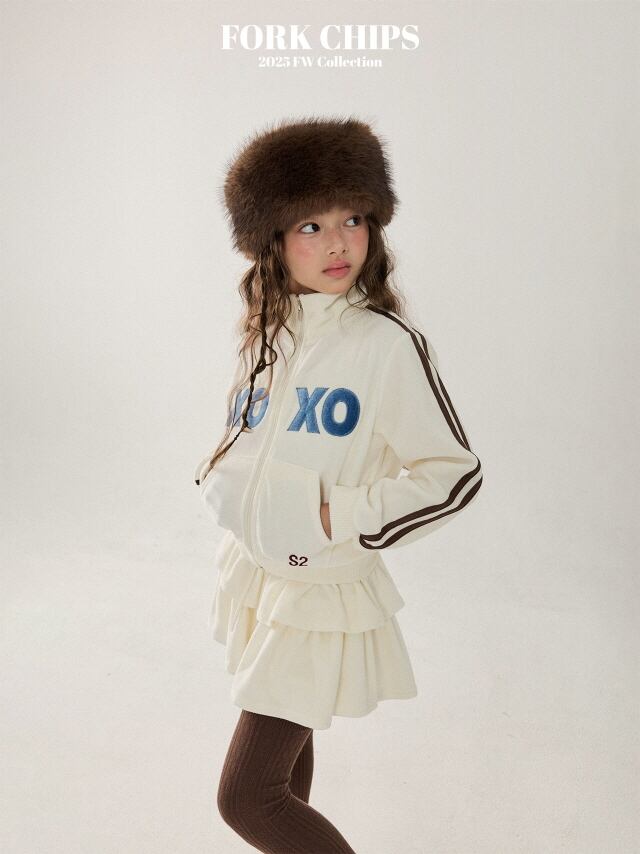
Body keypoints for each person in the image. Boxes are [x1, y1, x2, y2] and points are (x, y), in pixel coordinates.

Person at [194, 116, 483, 853]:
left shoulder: (387, 346)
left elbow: (453, 476)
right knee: (285, 788)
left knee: (248, 799)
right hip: (262, 575)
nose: (337, 244)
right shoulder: (268, 329)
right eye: (311, 225)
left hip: (318, 592)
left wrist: (339, 516)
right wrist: (220, 479)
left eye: (352, 220)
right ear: (272, 241)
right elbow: (250, 437)